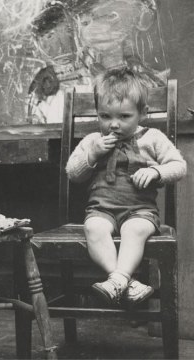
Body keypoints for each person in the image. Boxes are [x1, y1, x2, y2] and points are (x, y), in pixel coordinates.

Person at [66, 67, 186, 306]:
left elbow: (179, 166)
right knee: (93, 229)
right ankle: (124, 281)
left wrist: (156, 171)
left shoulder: (152, 138)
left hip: (140, 211)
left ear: (143, 112)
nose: (113, 125)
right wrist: (92, 155)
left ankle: (117, 280)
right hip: (101, 209)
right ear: (97, 113)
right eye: (105, 116)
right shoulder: (93, 141)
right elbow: (73, 173)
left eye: (124, 117)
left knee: (134, 230)